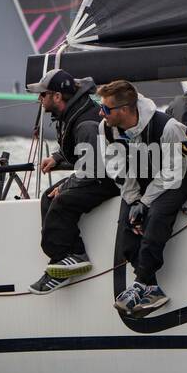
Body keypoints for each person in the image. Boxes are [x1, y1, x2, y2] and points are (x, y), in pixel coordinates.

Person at [99, 80, 187, 315]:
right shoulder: (106, 127)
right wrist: (134, 201)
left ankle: (141, 283)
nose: (100, 113)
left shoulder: (168, 127)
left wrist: (144, 204)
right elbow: (118, 169)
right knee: (127, 232)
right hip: (143, 177)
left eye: (105, 108)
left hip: (177, 176)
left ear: (124, 109)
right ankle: (152, 288)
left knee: (155, 218)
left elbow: (172, 174)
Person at [28, 69, 119, 293]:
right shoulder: (72, 112)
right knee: (49, 197)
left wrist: (66, 187)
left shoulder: (85, 123)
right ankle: (66, 257)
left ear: (57, 96)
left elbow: (93, 169)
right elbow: (83, 152)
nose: (39, 99)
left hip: (110, 178)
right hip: (97, 172)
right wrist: (58, 157)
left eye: (43, 94)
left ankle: (72, 256)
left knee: (60, 201)